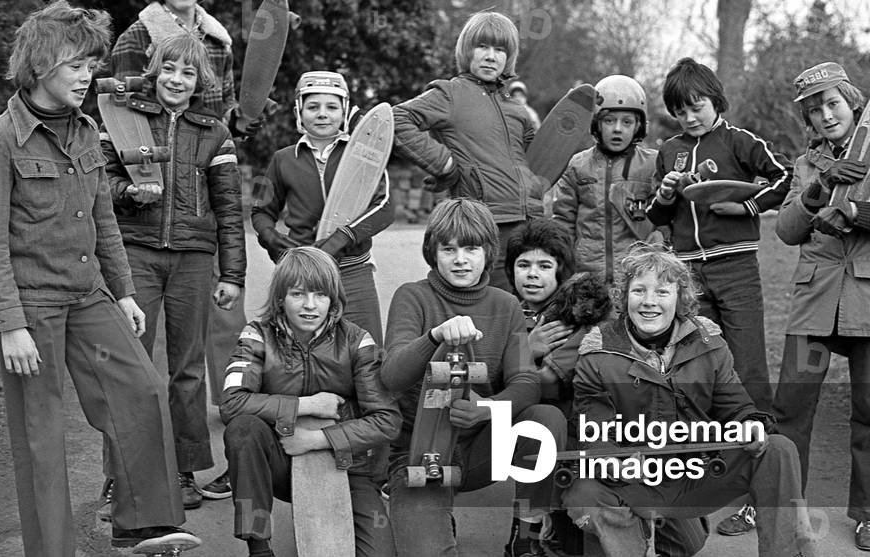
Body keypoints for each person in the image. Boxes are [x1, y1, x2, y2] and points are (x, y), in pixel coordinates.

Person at [0, 0, 199, 554]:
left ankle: (141, 524)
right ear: (42, 64)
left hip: (89, 294)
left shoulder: (89, 130)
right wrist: (9, 325)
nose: (87, 75)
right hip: (33, 307)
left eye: (91, 64)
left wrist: (122, 291)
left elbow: (103, 219)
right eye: (77, 65)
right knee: (41, 437)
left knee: (142, 389)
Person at [109, 0, 258, 500]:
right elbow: (117, 120)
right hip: (141, 238)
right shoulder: (135, 37)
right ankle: (124, 474)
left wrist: (233, 270)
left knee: (188, 367)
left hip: (194, 240)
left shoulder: (216, 38)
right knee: (132, 365)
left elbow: (226, 190)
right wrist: (132, 185)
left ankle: (185, 469)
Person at [562, 242, 816, 557]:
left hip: (695, 473)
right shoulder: (597, 353)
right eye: (639, 291)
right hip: (633, 479)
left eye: (662, 292)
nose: (649, 302)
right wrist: (615, 460)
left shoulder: (709, 343)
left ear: (680, 298)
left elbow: (735, 405)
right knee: (583, 494)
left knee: (778, 449)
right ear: (624, 296)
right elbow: (594, 429)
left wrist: (750, 423)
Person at [772, 62, 870, 551]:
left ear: (853, 102)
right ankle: (779, 505)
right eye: (815, 110)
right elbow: (787, 230)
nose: (825, 115)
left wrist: (858, 211)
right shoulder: (807, 165)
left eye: (832, 103)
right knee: (792, 406)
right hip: (815, 304)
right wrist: (819, 191)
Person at [645, 57, 792, 536]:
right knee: (695, 375)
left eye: (698, 106)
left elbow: (784, 178)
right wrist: (666, 193)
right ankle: (702, 485)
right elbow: (657, 217)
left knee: (749, 369)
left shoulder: (739, 141)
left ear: (715, 102)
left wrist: (747, 203)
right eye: (680, 110)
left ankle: (760, 499)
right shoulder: (667, 151)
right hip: (688, 274)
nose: (690, 117)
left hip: (736, 268)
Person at [504, 219, 708, 557]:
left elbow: (547, 381)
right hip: (551, 436)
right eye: (523, 265)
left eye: (544, 266)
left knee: (688, 540)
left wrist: (521, 354)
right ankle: (527, 526)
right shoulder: (507, 312)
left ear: (561, 273)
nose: (532, 274)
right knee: (541, 422)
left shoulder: (578, 319)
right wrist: (524, 347)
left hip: (603, 439)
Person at [381, 198, 568, 557]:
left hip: (481, 447)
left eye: (471, 248)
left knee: (545, 420)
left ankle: (526, 534)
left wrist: (487, 408)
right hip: (420, 453)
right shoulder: (412, 296)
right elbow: (391, 376)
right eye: (448, 249)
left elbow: (526, 383)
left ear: (489, 252)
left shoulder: (505, 304)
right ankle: (436, 517)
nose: (460, 259)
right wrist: (434, 336)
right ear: (431, 252)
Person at [220, 246, 401, 557]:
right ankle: (259, 546)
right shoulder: (257, 334)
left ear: (333, 299)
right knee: (243, 429)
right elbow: (231, 403)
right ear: (280, 298)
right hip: (282, 462)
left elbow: (388, 420)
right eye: (298, 294)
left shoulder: (357, 340)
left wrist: (318, 439)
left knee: (380, 552)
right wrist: (308, 405)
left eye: (320, 295)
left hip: (344, 464)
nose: (309, 306)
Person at [393, 11, 544, 290]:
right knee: (490, 309)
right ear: (466, 50)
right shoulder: (449, 94)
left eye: (500, 50)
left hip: (527, 226)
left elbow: (537, 159)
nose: (491, 56)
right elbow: (396, 120)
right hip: (483, 224)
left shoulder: (516, 108)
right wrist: (444, 163)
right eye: (482, 47)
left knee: (524, 313)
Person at [252, 70, 391, 345]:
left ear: (345, 111)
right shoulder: (281, 159)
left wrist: (343, 238)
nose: (322, 114)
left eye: (331, 106)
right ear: (299, 111)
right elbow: (259, 210)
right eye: (313, 107)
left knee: (367, 351)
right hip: (302, 274)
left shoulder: (367, 153)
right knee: (302, 353)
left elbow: (385, 207)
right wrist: (271, 239)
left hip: (353, 269)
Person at [553, 74, 663, 283]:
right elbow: (563, 222)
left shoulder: (654, 165)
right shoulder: (578, 165)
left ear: (639, 126)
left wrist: (658, 243)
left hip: (637, 276)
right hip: (586, 276)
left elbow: (666, 217)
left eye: (627, 121)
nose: (618, 128)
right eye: (609, 120)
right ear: (596, 123)